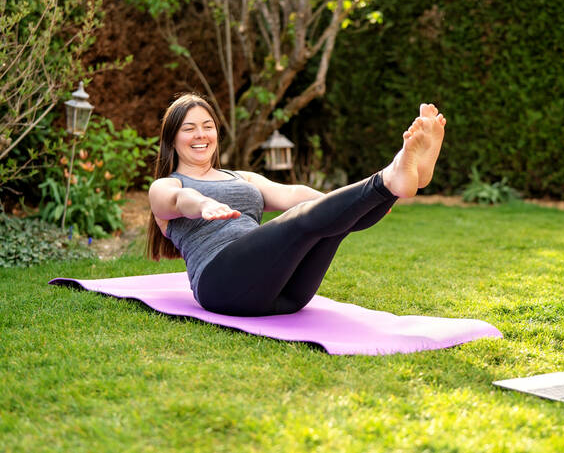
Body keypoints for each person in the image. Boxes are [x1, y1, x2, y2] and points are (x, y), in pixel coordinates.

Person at [147, 94, 446, 316]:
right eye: (189, 129)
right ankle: (390, 179)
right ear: (172, 139)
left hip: (287, 294)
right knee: (301, 221)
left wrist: (359, 204)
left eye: (207, 126)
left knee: (330, 228)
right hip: (223, 285)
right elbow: (178, 200)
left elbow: (292, 194)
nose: (200, 135)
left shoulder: (242, 177)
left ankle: (398, 184)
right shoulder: (166, 185)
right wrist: (202, 204)